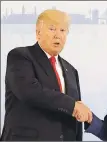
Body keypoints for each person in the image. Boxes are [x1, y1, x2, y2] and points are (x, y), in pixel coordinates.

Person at [0, 9, 92, 141]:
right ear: (38, 33)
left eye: (63, 30)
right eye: (52, 29)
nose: (58, 35)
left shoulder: (71, 71)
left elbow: (75, 118)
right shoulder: (20, 56)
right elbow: (29, 92)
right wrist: (72, 105)